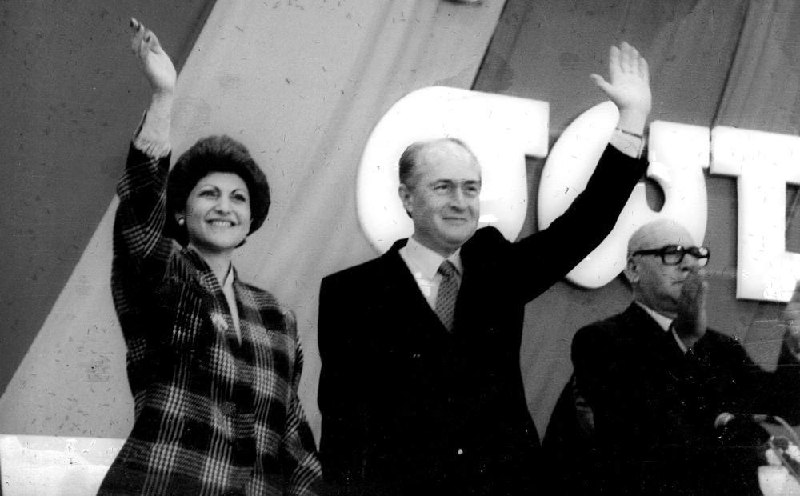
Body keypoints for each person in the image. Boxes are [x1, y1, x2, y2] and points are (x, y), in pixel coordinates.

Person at [317, 43, 652, 495]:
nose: (460, 202)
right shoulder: (352, 294)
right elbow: (343, 430)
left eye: (470, 188)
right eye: (443, 187)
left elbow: (582, 227)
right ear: (407, 198)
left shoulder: (495, 266)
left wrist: (631, 120)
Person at [98, 19, 322, 495]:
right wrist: (164, 97)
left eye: (238, 198)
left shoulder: (277, 316)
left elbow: (293, 436)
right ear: (180, 212)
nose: (225, 207)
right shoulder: (164, 275)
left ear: (251, 219)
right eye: (209, 194)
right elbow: (140, 224)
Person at [549, 218, 800, 495]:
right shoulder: (601, 340)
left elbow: (785, 407)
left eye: (695, 255)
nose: (688, 264)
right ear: (633, 269)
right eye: (673, 254)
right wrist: (684, 341)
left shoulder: (720, 347)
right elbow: (646, 436)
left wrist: (794, 344)